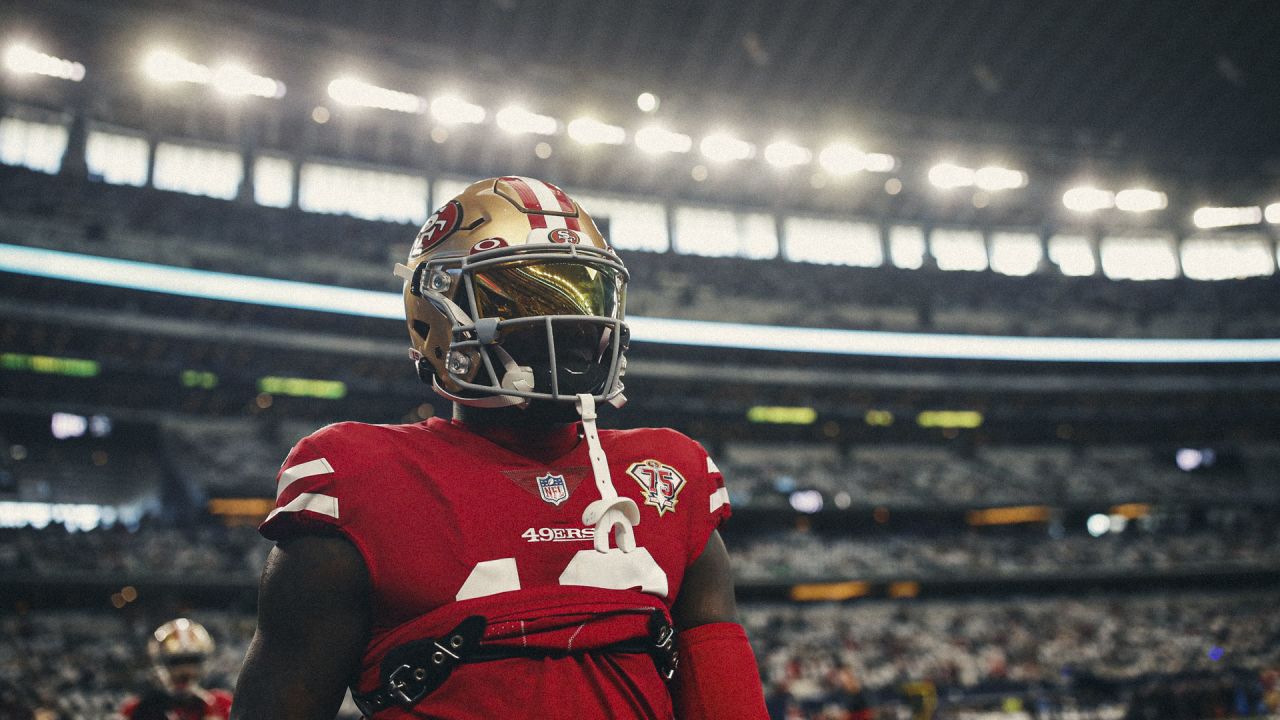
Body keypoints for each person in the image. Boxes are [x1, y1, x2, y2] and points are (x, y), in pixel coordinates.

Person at [232, 177, 769, 719]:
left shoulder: (669, 472)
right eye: (526, 297)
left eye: (587, 294)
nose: (575, 323)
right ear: (437, 313)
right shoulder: (359, 476)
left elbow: (727, 703)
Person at [119, 618, 232, 720]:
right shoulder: (138, 710)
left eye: (193, 660)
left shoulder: (222, 705)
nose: (184, 670)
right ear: (160, 664)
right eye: (175, 661)